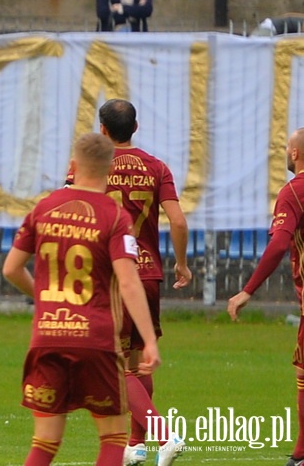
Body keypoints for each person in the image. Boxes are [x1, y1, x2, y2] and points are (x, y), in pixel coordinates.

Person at [3, 132, 161, 466]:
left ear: (73, 166)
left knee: (44, 443)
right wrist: (148, 340)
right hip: (97, 340)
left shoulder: (44, 208)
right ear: (107, 171)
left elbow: (11, 269)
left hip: (47, 336)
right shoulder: (116, 216)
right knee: (114, 438)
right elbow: (129, 282)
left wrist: (44, 298)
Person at [84, 99, 191, 466]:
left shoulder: (94, 164)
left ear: (102, 129)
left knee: (115, 366)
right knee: (137, 363)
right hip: (148, 274)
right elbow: (178, 221)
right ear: (136, 126)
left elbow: (76, 207)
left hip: (114, 275)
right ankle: (136, 446)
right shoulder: (156, 167)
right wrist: (181, 264)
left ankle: (165, 436)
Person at [229, 127, 304, 466]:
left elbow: (278, 243)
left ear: (294, 154)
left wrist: (247, 290)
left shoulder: (294, 191)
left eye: (287, 146)